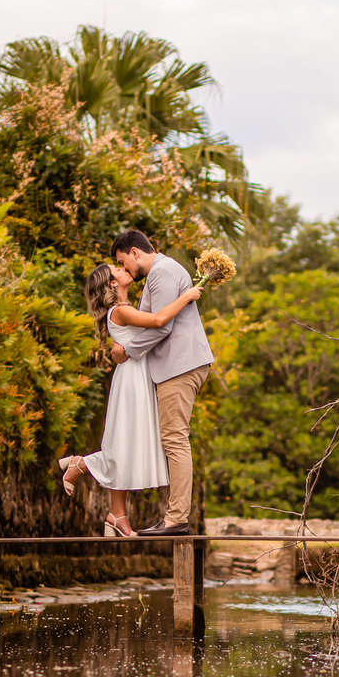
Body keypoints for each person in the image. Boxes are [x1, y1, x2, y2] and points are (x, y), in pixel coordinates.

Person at [58, 258, 203, 537]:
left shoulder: (125, 308)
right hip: (133, 380)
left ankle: (117, 515)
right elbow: (159, 321)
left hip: (139, 376)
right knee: (124, 442)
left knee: (127, 442)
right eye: (117, 269)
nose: (123, 268)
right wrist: (187, 296)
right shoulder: (120, 310)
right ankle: (81, 464)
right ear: (112, 283)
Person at [110, 228, 214, 537]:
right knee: (172, 438)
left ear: (135, 252)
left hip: (180, 365)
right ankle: (174, 516)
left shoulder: (163, 271)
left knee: (174, 439)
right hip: (176, 365)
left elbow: (161, 326)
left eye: (122, 262)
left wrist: (127, 350)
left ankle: (176, 518)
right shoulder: (158, 274)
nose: (125, 268)